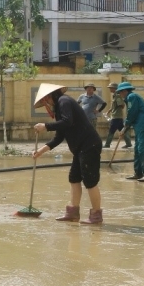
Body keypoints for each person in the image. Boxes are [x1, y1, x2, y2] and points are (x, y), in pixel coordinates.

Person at [32, 82, 104, 225]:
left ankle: (96, 215)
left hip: (89, 145)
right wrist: (40, 151)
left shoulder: (64, 101)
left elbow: (67, 122)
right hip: (80, 148)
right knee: (74, 178)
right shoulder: (60, 108)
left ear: (50, 96)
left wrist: (45, 126)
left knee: (90, 181)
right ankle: (72, 213)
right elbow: (59, 137)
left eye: (45, 100)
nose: (46, 103)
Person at [116, 82, 144, 182]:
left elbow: (132, 112)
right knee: (137, 150)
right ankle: (138, 173)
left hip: (143, 126)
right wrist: (126, 127)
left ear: (124, 91)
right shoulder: (130, 97)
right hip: (138, 126)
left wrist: (125, 126)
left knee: (143, 149)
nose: (120, 95)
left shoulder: (132, 97)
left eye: (120, 92)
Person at [104, 83, 132, 149]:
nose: (110, 89)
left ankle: (107, 144)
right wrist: (109, 111)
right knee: (122, 130)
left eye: (111, 88)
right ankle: (128, 143)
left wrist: (116, 110)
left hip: (116, 117)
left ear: (114, 89)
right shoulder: (115, 96)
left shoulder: (117, 96)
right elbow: (115, 106)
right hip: (118, 116)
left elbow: (121, 105)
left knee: (111, 130)